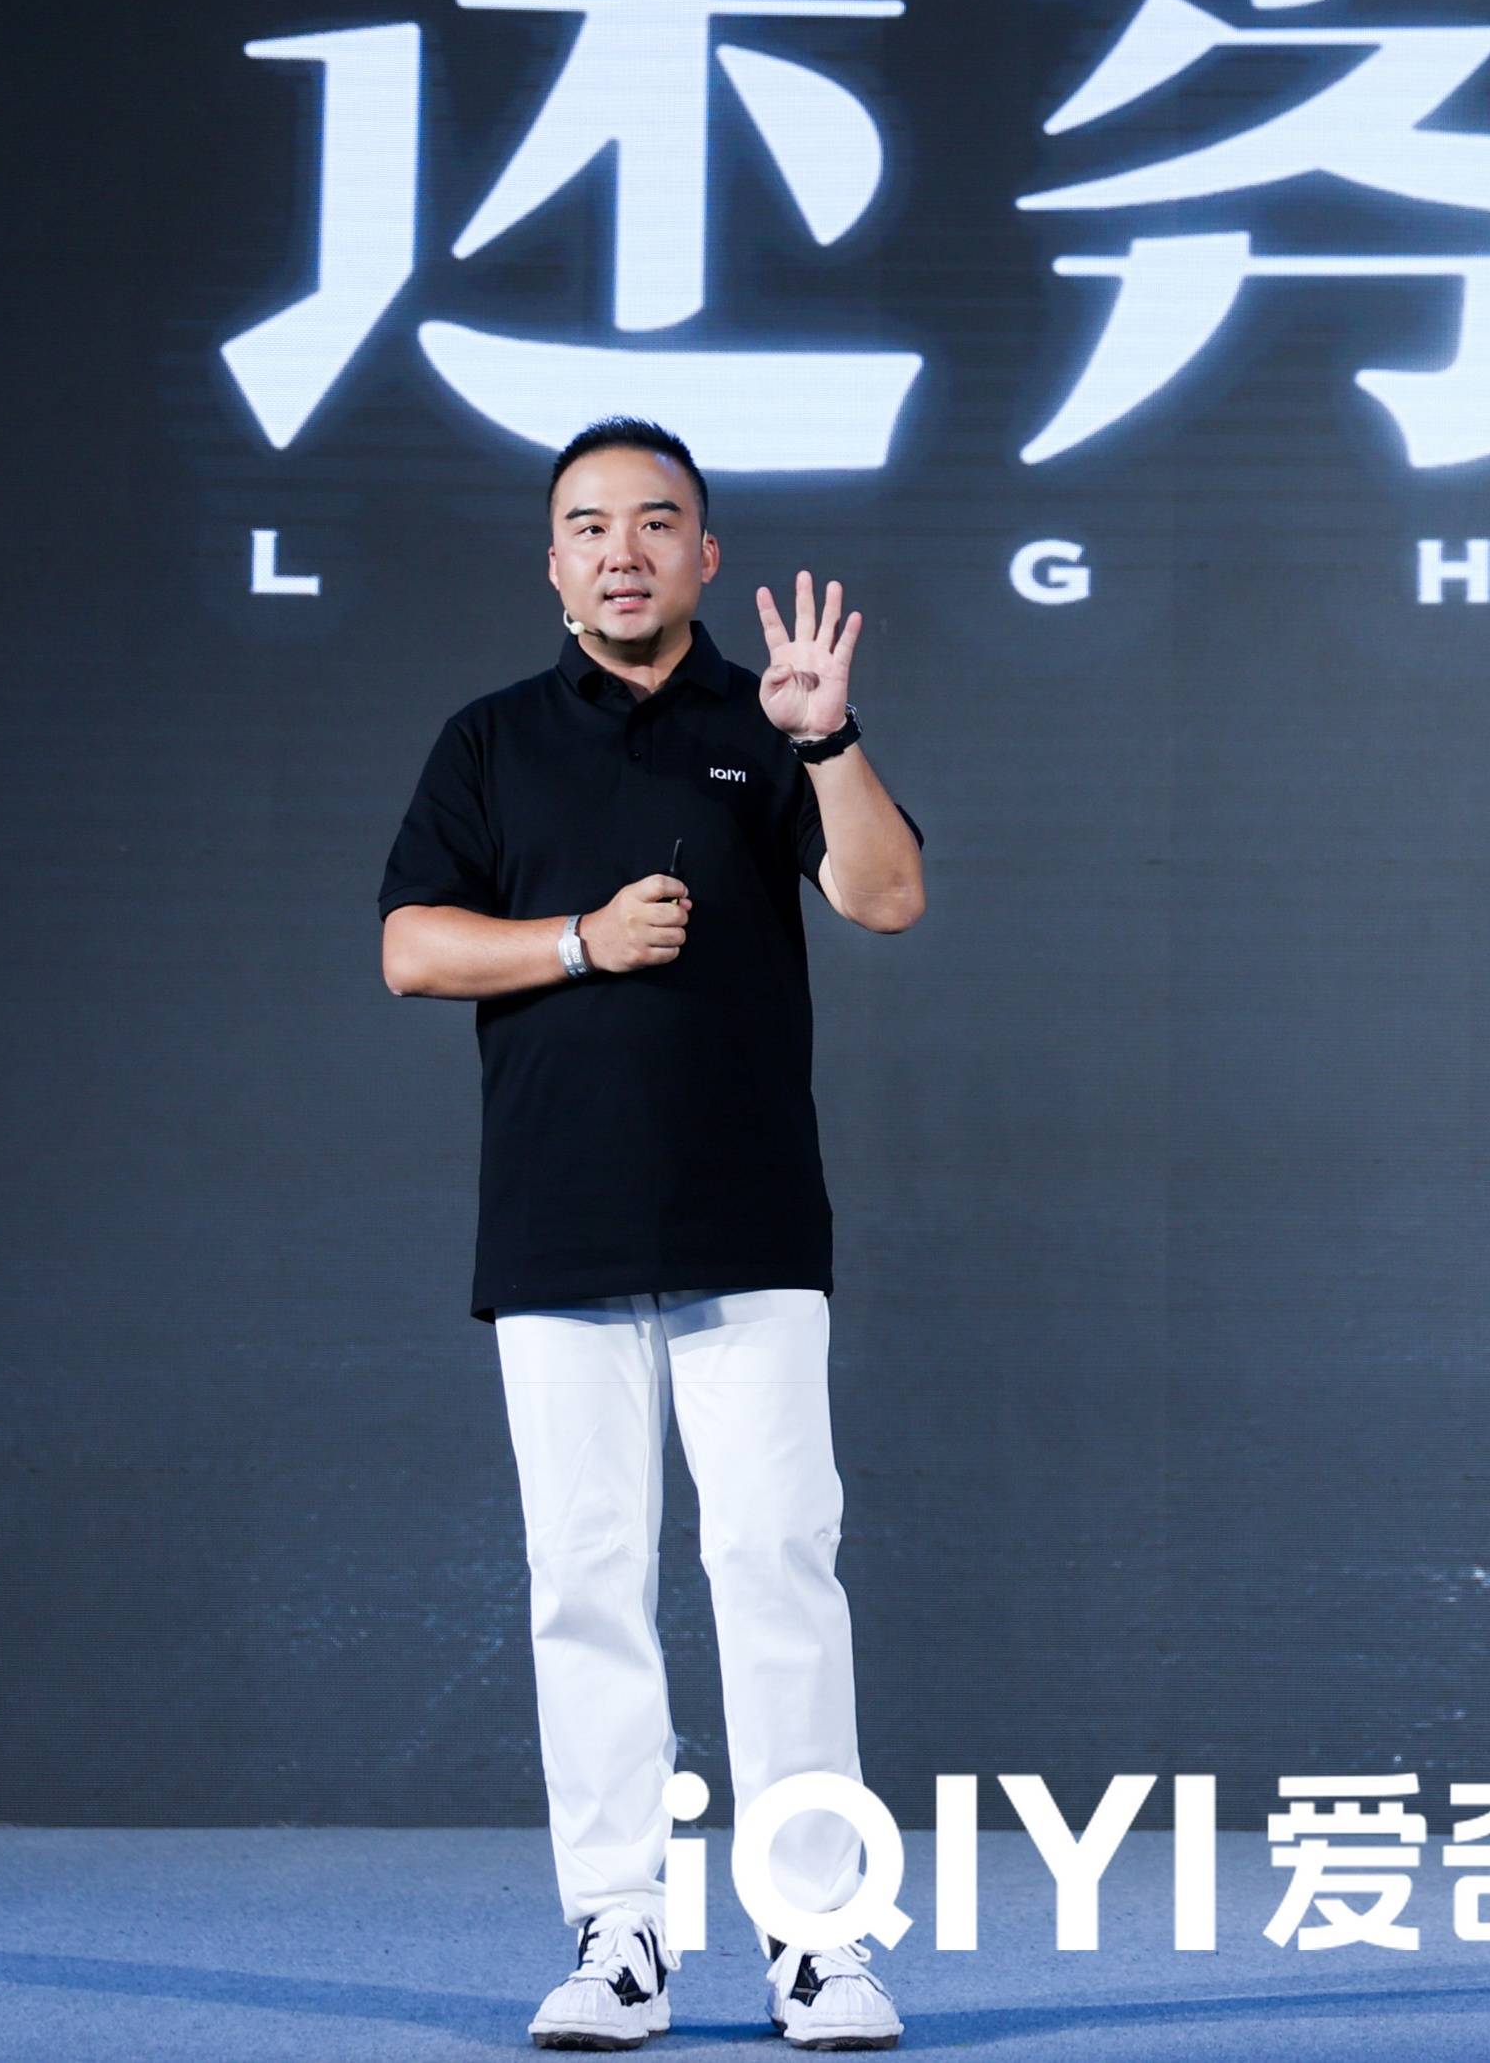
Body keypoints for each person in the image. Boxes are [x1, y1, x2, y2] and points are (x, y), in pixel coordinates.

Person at [379, 416, 925, 2051]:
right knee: (586, 1580)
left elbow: (887, 897)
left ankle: (818, 1943)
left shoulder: (770, 725)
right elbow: (412, 948)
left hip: (747, 1227)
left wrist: (828, 741)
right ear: (552, 561)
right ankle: (618, 1934)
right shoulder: (489, 740)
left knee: (776, 1566)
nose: (622, 550)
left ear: (704, 553)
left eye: (655, 521)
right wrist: (579, 942)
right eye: (589, 524)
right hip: (556, 1232)